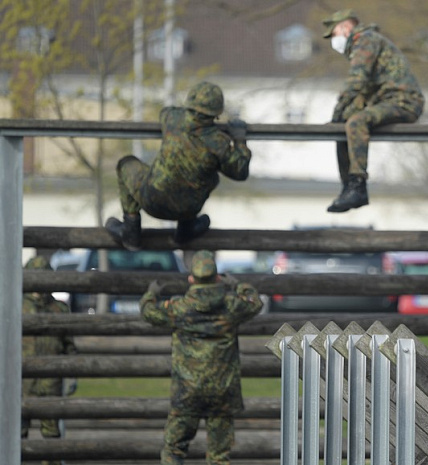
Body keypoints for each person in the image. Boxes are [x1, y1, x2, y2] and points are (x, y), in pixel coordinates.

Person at [140, 250, 263, 465]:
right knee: (219, 456)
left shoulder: (179, 308)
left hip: (187, 392)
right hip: (222, 391)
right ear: (217, 277)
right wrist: (238, 285)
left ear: (191, 278)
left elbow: (148, 311)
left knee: (174, 450)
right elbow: (255, 302)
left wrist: (151, 293)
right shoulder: (231, 306)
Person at [105, 81, 252, 250]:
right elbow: (241, 172)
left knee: (126, 163)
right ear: (216, 113)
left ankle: (131, 232)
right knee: (211, 176)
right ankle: (185, 231)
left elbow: (166, 111)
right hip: (187, 210)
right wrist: (239, 139)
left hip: (152, 201)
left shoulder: (173, 120)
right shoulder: (219, 143)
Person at [322, 9, 425, 213]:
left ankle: (357, 185)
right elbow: (363, 92)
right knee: (345, 124)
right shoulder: (365, 44)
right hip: (389, 101)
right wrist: (340, 117)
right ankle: (348, 188)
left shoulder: (365, 40)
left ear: (345, 27)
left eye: (334, 34)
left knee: (355, 122)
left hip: (404, 102)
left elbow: (357, 81)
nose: (334, 41)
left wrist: (338, 111)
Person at [21, 255, 78, 465]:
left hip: (50, 384)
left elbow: (69, 347)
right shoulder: (16, 306)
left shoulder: (59, 310)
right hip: (20, 384)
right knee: (16, 435)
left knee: (52, 437)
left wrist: (72, 375)